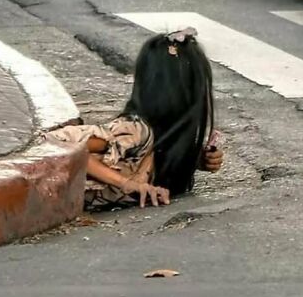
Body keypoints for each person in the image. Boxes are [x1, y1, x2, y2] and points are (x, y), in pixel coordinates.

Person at [46, 27, 224, 210]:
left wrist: (195, 160)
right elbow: (62, 147)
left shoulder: (155, 144)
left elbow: (150, 159)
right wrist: (128, 184)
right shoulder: (135, 131)